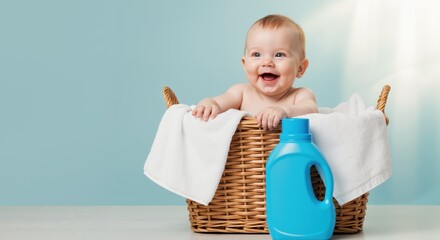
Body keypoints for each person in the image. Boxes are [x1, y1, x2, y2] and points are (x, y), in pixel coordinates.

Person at [192, 14, 318, 130]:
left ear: (301, 68)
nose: (267, 62)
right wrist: (207, 105)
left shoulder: (300, 95)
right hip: (246, 154)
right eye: (257, 54)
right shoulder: (242, 92)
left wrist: (285, 111)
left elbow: (311, 109)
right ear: (245, 64)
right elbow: (216, 102)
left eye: (279, 54)